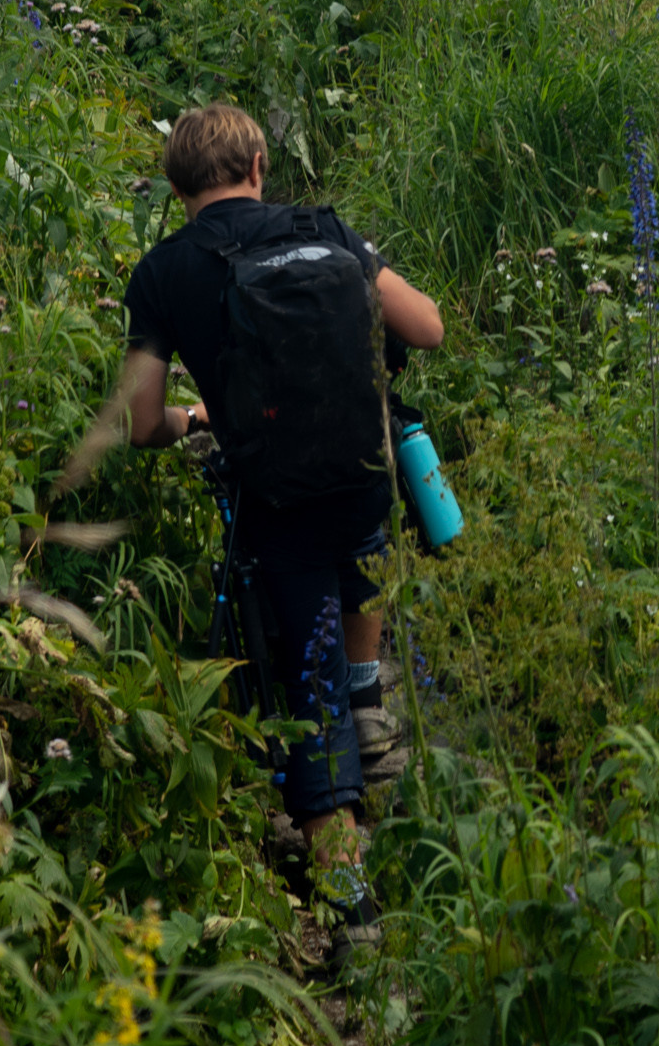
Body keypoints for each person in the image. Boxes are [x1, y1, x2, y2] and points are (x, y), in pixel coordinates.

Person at [65, 100, 443, 914]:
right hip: (363, 473)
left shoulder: (164, 272)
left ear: (178, 191)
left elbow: (139, 423)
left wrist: (193, 420)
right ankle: (370, 696)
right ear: (259, 168)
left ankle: (351, 904)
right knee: (363, 546)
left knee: (308, 697)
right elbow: (429, 327)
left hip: (278, 500)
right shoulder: (327, 229)